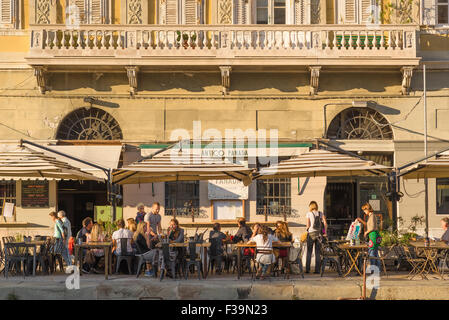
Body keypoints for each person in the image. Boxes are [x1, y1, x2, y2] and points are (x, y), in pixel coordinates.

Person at [355, 202, 381, 269]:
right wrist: (360, 220)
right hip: (374, 235)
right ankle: (377, 268)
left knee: (372, 253)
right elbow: (368, 225)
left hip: (373, 236)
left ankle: (373, 269)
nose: (364, 212)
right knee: (375, 253)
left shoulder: (372, 216)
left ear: (368, 209)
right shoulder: (371, 216)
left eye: (364, 210)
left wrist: (366, 232)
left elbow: (371, 227)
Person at [305, 201, 328, 274]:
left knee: (309, 252)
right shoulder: (321, 213)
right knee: (317, 252)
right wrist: (324, 233)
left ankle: (307, 269)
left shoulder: (309, 214)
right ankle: (317, 270)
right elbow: (325, 224)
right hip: (319, 234)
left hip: (311, 234)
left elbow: (308, 225)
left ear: (310, 206)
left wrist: (307, 230)